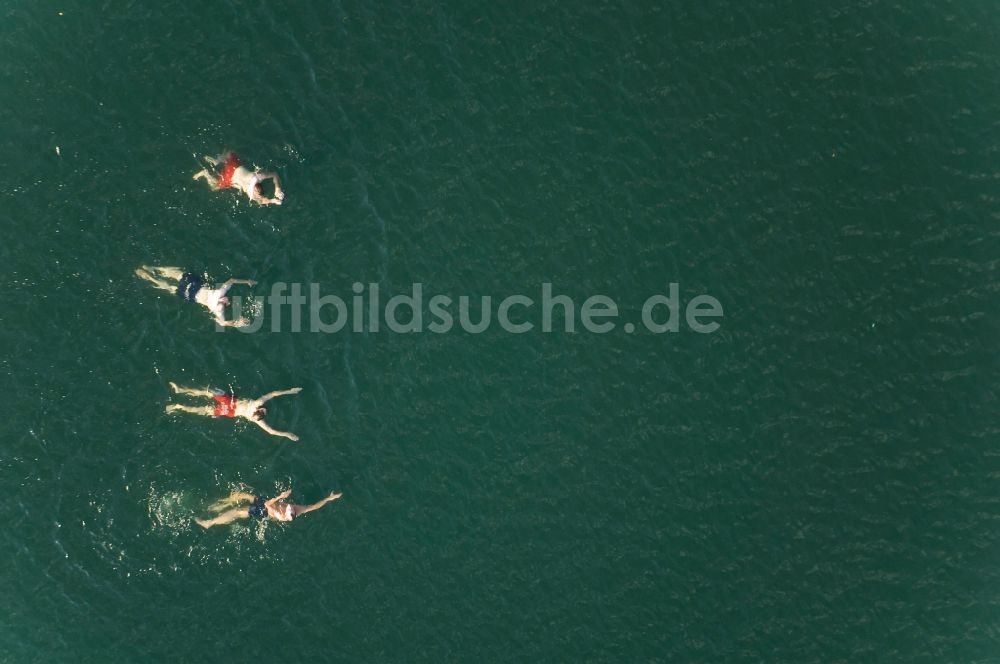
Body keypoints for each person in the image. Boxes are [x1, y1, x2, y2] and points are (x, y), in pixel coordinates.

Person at [165, 382, 303, 441]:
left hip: (230, 401)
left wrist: (290, 391)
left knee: (206, 393)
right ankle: (179, 407)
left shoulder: (257, 403)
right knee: (203, 410)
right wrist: (287, 434)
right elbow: (271, 431)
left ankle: (180, 390)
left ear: (260, 409)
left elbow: (272, 394)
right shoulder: (256, 420)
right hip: (229, 412)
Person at [134, 265, 255, 328]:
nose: (227, 299)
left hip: (194, 288)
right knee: (170, 287)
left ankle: (152, 271)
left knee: (176, 276)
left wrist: (247, 281)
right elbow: (223, 323)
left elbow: (232, 281)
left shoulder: (220, 298)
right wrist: (238, 322)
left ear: (225, 302)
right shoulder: (218, 307)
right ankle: (150, 275)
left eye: (228, 300)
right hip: (191, 295)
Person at [195, 488, 342, 529]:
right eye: (289, 506)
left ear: (286, 514)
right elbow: (314, 507)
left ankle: (210, 523)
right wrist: (329, 498)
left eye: (287, 508)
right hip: (267, 503)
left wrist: (280, 497)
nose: (288, 506)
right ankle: (221, 504)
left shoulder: (279, 513)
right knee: (244, 494)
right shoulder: (299, 509)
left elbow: (267, 505)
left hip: (264, 510)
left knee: (238, 511)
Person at [192, 151, 284, 205]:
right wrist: (273, 200)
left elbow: (274, 174)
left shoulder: (258, 177)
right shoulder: (250, 193)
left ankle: (217, 160)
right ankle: (205, 173)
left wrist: (277, 188)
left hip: (235, 166)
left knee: (230, 153)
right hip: (229, 176)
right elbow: (261, 201)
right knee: (214, 187)